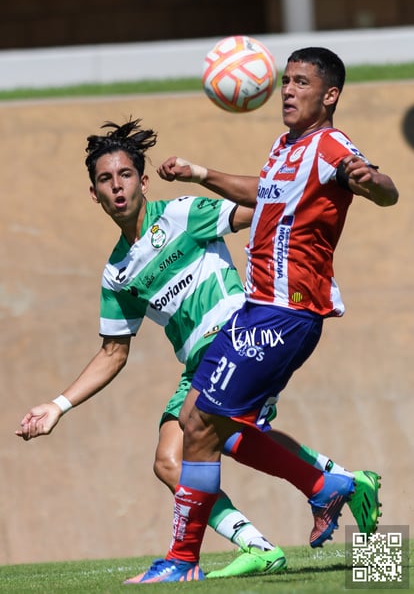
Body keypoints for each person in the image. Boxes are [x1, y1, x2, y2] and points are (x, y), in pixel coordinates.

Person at [15, 118, 381, 580]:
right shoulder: (117, 274)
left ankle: (192, 558)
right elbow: (113, 353)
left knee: (207, 428)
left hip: (241, 336)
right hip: (197, 363)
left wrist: (290, 193)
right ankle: (303, 511)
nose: (117, 187)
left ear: (143, 181)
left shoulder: (181, 214)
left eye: (126, 175)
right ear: (94, 194)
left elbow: (264, 206)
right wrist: (58, 405)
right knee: (171, 460)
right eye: (105, 180)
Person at [129, 46, 399, 583]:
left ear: (330, 95)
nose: (289, 91)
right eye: (285, 82)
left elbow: (383, 188)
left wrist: (368, 180)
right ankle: (336, 487)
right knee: (209, 425)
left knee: (200, 424)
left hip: (286, 312)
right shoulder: (286, 146)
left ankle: (185, 562)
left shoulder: (331, 146)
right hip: (259, 309)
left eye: (301, 82)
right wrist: (199, 172)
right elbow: (265, 192)